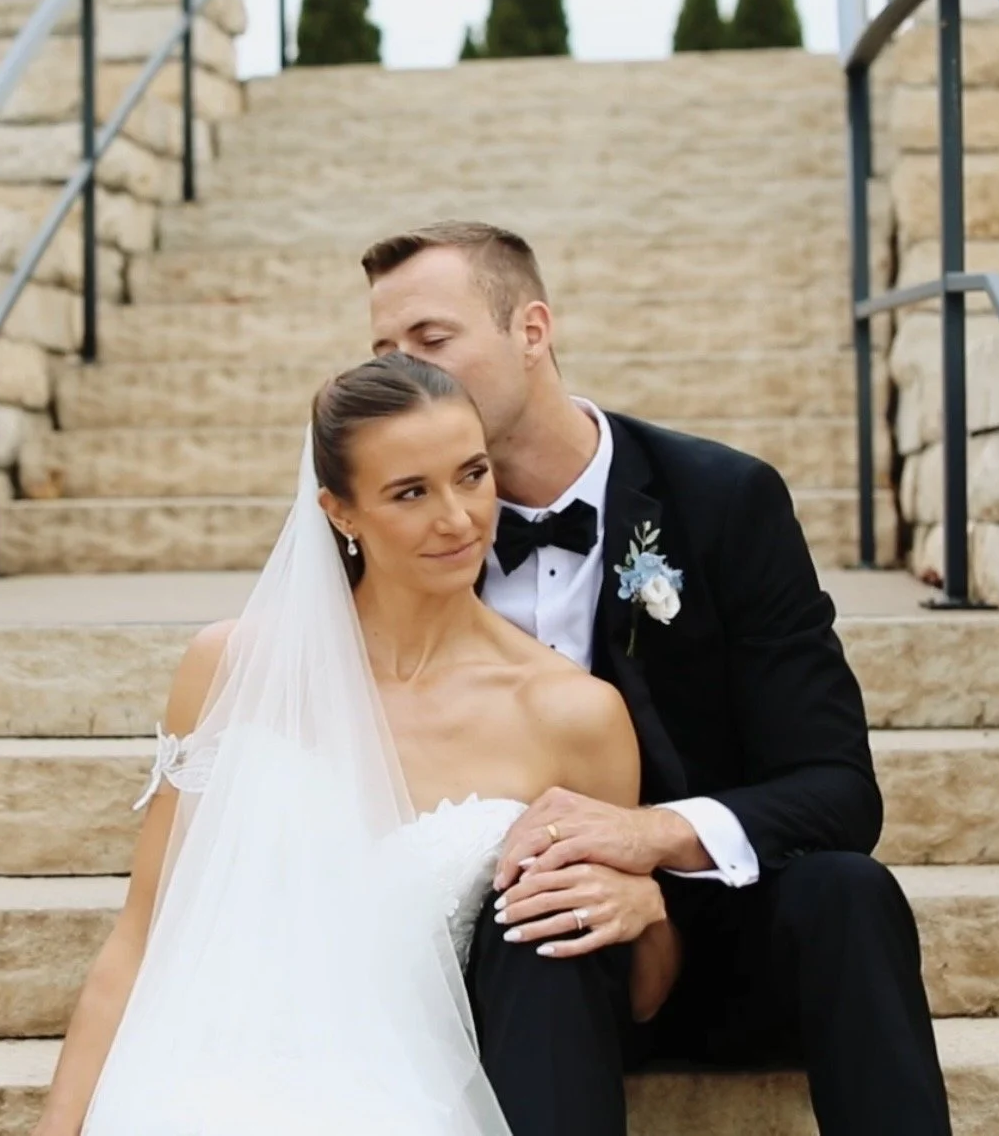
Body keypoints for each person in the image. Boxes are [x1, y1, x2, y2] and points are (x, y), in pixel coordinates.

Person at [365, 220, 952, 1136]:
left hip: (723, 940)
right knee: (544, 918)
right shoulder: (392, 532)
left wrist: (651, 845)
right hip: (511, 974)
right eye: (385, 351)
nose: (409, 372)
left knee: (850, 894)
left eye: (432, 341)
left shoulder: (723, 501)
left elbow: (839, 788)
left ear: (532, 330)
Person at [31, 353, 683, 1136]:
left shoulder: (570, 713)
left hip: (409, 1096)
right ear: (339, 510)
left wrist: (649, 911)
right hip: (187, 1078)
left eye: (472, 474)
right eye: (411, 492)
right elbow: (140, 935)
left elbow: (637, 995)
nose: (459, 518)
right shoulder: (231, 667)